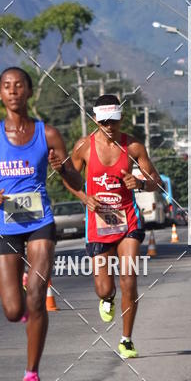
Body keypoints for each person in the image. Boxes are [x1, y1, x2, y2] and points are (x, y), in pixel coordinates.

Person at [0, 67, 82, 381]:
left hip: (40, 222)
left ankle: (32, 374)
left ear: (30, 92)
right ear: (0, 94)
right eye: (7, 86)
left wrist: (64, 171)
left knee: (35, 301)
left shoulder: (49, 135)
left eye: (19, 86)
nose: (13, 91)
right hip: (5, 225)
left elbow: (76, 181)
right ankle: (24, 286)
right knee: (13, 310)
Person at [61, 94, 163, 359]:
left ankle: (126, 339)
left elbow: (155, 181)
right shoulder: (83, 147)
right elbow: (70, 179)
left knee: (129, 278)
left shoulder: (134, 147)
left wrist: (140, 184)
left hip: (128, 218)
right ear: (95, 120)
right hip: (98, 223)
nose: (109, 126)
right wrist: (85, 198)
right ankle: (107, 298)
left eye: (113, 121)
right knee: (104, 288)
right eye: (104, 121)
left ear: (121, 119)